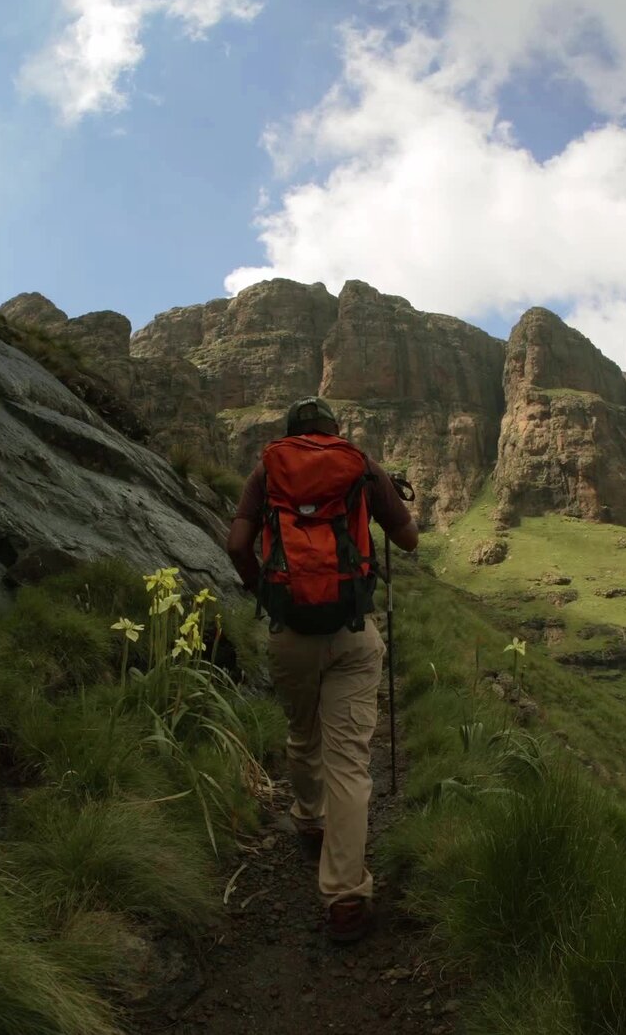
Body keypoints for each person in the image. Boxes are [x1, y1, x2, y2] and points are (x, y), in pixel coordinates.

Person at [227, 396, 418, 942]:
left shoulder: (267, 470)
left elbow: (237, 544)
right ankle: (345, 896)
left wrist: (264, 591)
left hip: (289, 631)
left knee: (301, 731)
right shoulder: (361, 466)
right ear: (335, 428)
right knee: (350, 764)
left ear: (291, 431)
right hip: (351, 633)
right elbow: (408, 540)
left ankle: (309, 819)